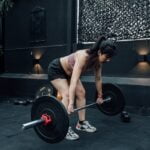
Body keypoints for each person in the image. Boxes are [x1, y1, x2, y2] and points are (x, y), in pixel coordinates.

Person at [48, 36, 117, 141]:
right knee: (66, 95)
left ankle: (81, 123)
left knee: (81, 93)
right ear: (99, 52)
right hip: (56, 70)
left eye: (110, 57)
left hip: (69, 73)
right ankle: (63, 127)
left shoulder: (98, 62)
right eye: (107, 56)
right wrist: (71, 103)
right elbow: (74, 81)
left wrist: (100, 96)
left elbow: (98, 79)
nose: (108, 60)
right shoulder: (83, 56)